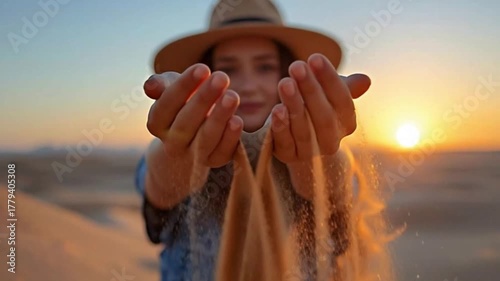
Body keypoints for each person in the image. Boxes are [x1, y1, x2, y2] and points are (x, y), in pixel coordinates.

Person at [135, 1, 393, 280]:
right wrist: (177, 152)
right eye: (229, 70)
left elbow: (337, 189)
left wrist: (317, 157)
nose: (248, 86)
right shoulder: (175, 154)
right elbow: (159, 186)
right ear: (205, 76)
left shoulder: (323, 152)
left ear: (287, 72)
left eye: (265, 67)